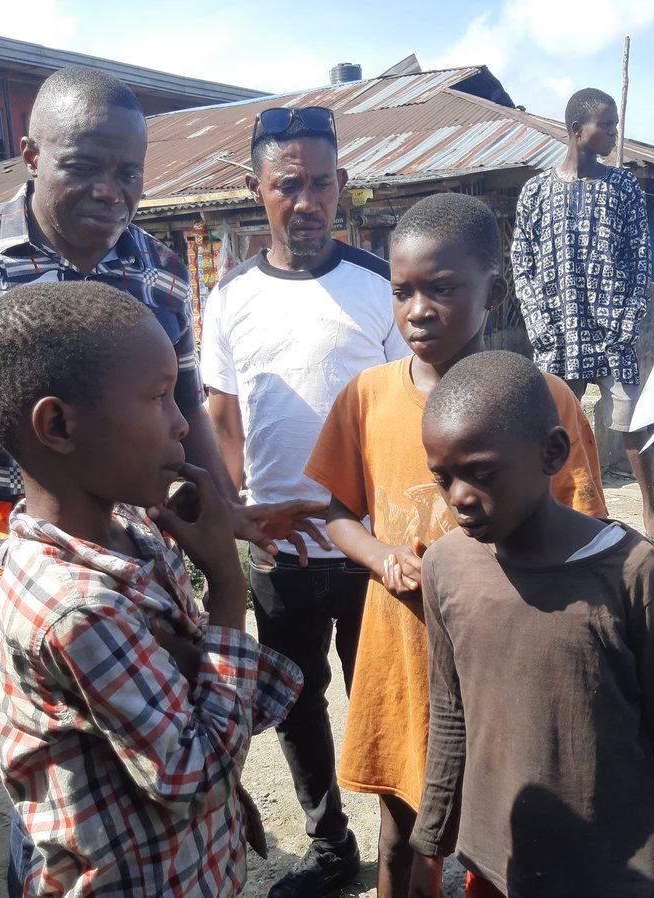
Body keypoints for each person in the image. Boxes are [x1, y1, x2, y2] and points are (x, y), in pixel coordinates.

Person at [0, 67, 321, 892]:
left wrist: (222, 517)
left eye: (130, 171)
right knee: (61, 775)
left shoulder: (154, 266)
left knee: (160, 729)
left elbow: (182, 410)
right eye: (86, 165)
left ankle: (187, 845)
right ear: (29, 155)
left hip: (131, 544)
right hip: (12, 565)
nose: (112, 191)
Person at [303, 193, 607, 898]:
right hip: (406, 653)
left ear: (491, 292)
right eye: (403, 291)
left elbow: (581, 529)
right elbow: (338, 512)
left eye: (442, 289)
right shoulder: (368, 397)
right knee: (406, 832)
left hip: (508, 656)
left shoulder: (541, 399)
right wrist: (383, 558)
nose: (418, 310)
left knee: (511, 830)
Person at [0, 281, 301, 897]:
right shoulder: (76, 607)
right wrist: (228, 589)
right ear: (59, 424)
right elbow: (195, 777)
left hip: (182, 863)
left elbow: (182, 706)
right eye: (157, 398)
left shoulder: (134, 529)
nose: (181, 423)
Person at [409, 351, 654, 898]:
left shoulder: (631, 571)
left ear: (551, 452)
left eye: (480, 473)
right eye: (443, 477)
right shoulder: (445, 566)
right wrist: (428, 844)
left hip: (614, 871)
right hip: (497, 865)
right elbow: (449, 714)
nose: (459, 499)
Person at [201, 106, 409, 897]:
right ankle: (329, 847)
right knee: (293, 700)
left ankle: (404, 844)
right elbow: (222, 418)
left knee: (386, 697)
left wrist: (391, 530)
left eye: (321, 183)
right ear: (259, 191)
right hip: (276, 545)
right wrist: (237, 517)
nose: (307, 201)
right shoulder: (229, 301)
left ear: (342, 187)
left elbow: (405, 414)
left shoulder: (380, 289)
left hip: (370, 545)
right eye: (288, 184)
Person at [511, 88, 654, 551]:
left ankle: (651, 511)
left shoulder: (622, 187)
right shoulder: (536, 191)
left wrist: (627, 319)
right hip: (558, 335)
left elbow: (641, 258)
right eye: (607, 125)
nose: (614, 134)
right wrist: (541, 324)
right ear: (577, 130)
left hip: (613, 333)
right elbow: (523, 263)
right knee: (551, 427)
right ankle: (551, 513)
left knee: (631, 423)